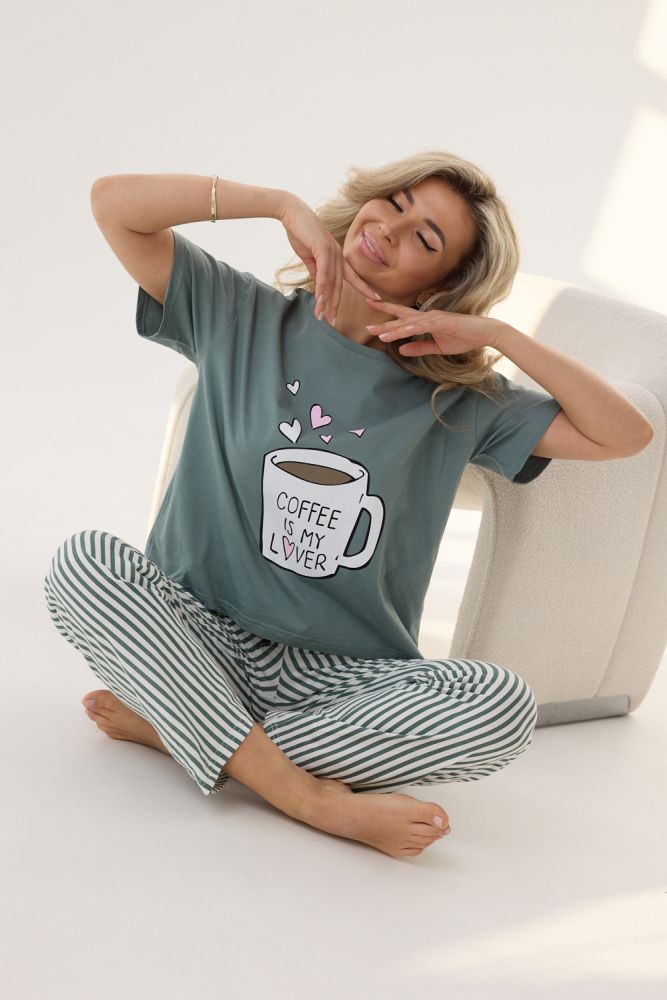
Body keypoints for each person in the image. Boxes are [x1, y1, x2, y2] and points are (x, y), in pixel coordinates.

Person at [40, 153, 587, 861]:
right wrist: (275, 202)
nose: (391, 229)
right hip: (197, 630)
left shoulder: (458, 400)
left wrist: (500, 338)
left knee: (501, 705)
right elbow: (112, 203)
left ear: (442, 287)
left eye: (425, 239)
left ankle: (183, 723)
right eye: (395, 203)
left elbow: (622, 435)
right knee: (83, 563)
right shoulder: (238, 311)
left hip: (338, 678)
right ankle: (303, 795)